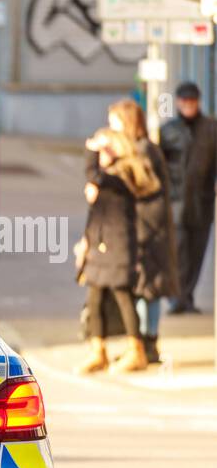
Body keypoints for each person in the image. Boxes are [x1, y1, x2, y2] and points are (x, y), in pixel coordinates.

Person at [88, 99, 179, 363]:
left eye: (115, 120)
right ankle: (139, 345)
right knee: (140, 287)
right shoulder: (133, 150)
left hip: (148, 231)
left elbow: (144, 192)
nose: (111, 126)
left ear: (127, 121)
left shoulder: (143, 151)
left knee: (148, 287)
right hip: (140, 229)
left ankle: (148, 344)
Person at [76, 128, 158, 373]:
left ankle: (137, 351)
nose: (100, 154)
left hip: (118, 250)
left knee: (124, 298)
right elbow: (96, 217)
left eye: (105, 149)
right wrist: (86, 243)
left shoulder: (122, 175)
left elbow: (92, 174)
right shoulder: (109, 177)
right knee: (95, 300)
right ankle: (97, 351)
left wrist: (90, 147)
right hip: (101, 250)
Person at [160, 81, 217, 314]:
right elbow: (160, 165)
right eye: (184, 102)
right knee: (179, 251)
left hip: (202, 202)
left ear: (198, 102)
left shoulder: (211, 128)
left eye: (192, 102)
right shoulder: (168, 131)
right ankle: (177, 298)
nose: (188, 106)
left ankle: (188, 297)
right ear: (178, 103)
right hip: (177, 202)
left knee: (197, 252)